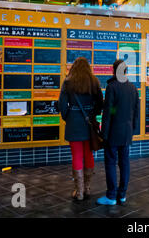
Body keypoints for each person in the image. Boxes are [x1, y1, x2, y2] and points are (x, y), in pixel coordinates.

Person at [58, 57, 103, 201]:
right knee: (88, 154)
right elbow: (100, 103)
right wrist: (93, 115)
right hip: (89, 123)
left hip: (73, 123)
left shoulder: (68, 82)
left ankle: (79, 192)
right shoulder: (94, 81)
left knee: (76, 155)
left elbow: (62, 105)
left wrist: (68, 117)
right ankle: (88, 188)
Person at [97, 59, 140, 206]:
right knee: (125, 163)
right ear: (126, 71)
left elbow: (108, 113)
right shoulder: (133, 88)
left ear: (113, 71)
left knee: (110, 163)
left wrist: (104, 134)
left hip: (113, 133)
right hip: (126, 133)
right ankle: (122, 195)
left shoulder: (112, 87)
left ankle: (111, 196)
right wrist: (132, 130)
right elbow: (136, 112)